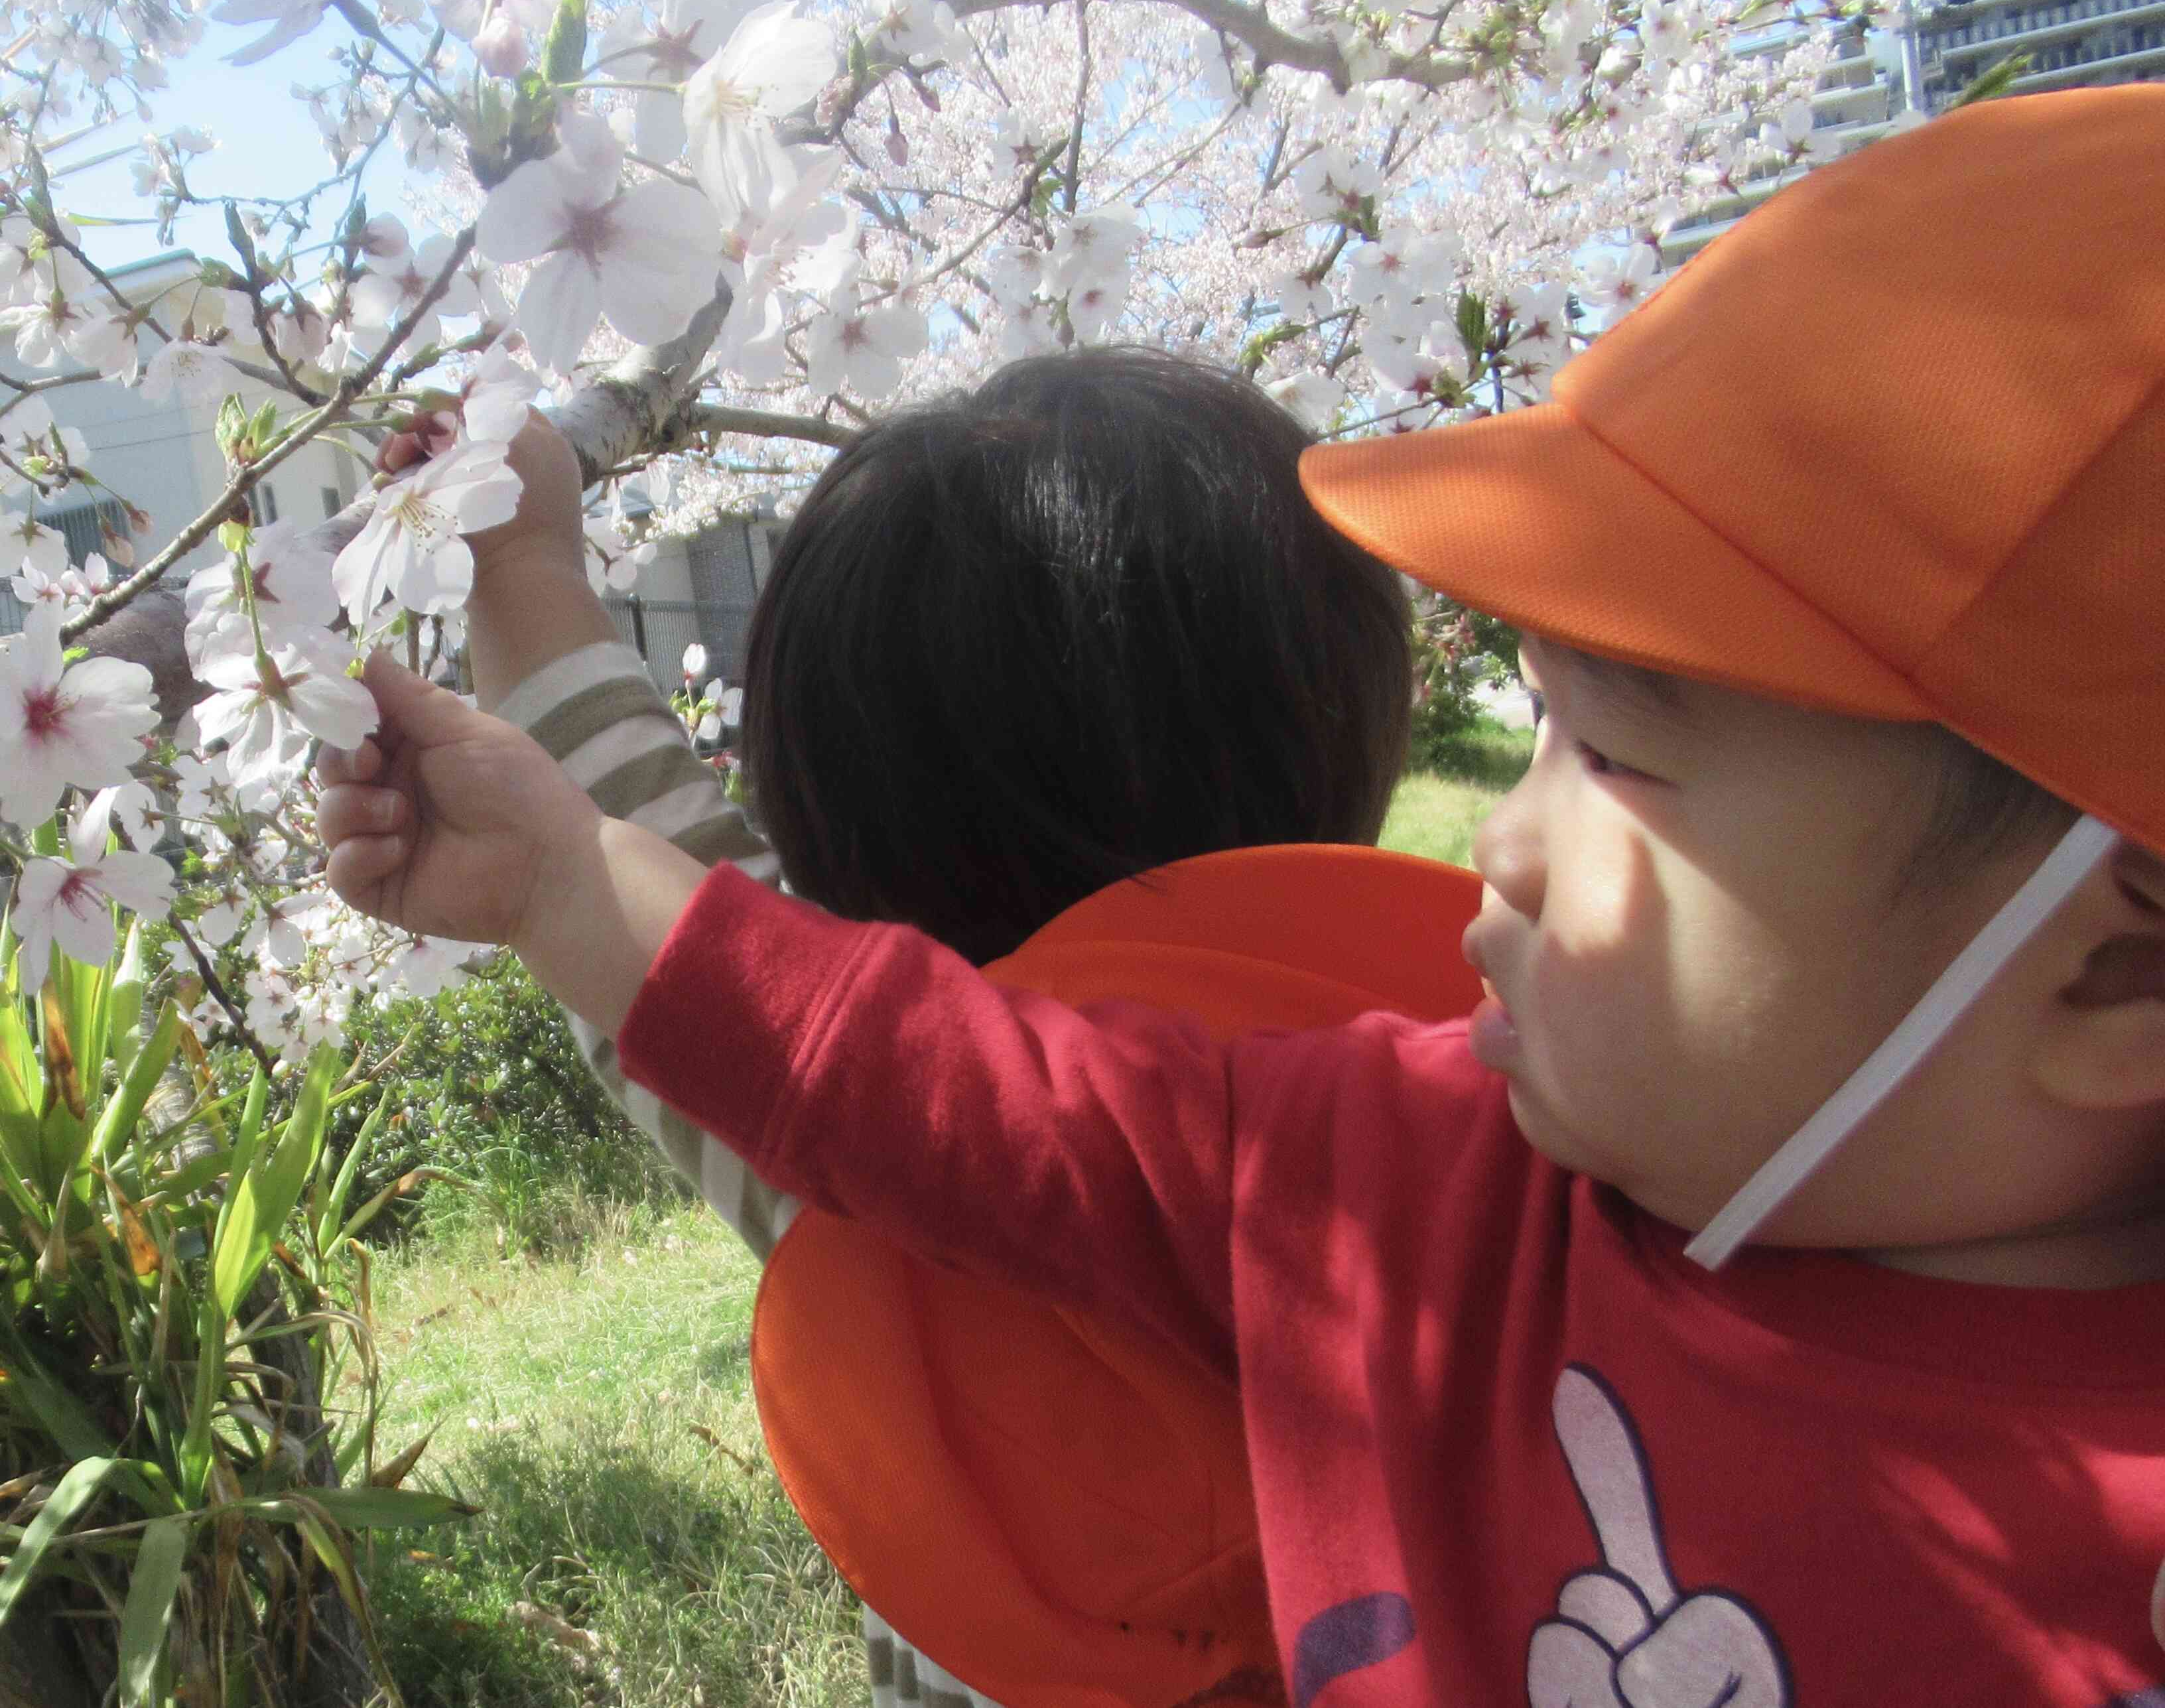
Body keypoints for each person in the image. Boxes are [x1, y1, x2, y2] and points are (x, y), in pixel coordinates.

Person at [322, 86, 2165, 1703]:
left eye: (1623, 756)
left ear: (2111, 976)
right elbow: (860, 1034)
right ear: (1335, 733)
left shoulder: (1014, 1195)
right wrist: (565, 861)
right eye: (1531, 735)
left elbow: (787, 999)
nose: (1502, 847)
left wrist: (540, 622)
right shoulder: (1397, 1168)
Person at [417, 346, 1419, 1706]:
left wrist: (517, 560)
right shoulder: (1525, 1138)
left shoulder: (880, 1172)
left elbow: (658, 896)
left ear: (826, 825)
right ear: (1353, 722)